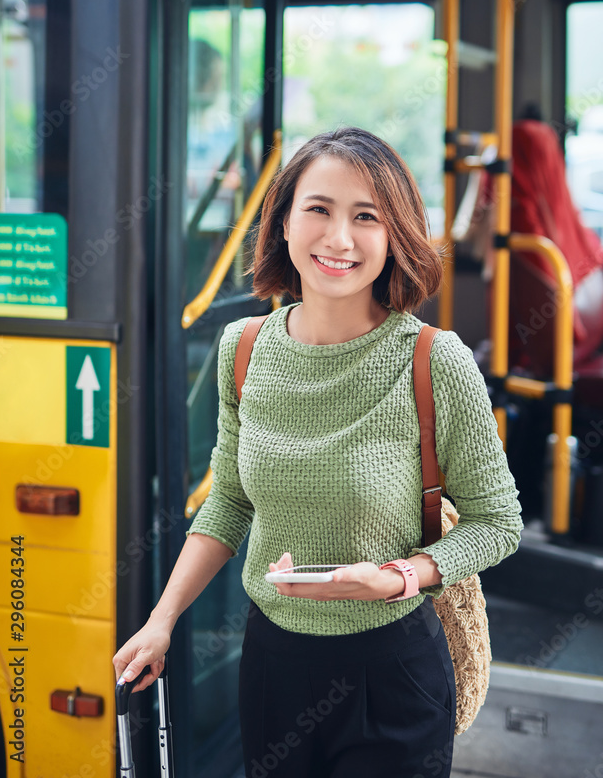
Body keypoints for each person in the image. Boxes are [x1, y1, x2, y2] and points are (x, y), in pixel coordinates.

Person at [113, 126, 523, 778]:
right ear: (280, 223)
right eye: (318, 209)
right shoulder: (241, 349)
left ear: (394, 237)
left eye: (366, 217)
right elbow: (229, 502)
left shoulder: (432, 360)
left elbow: (497, 524)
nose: (338, 238)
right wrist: (160, 621)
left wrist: (397, 578)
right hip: (273, 667)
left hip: (392, 669)